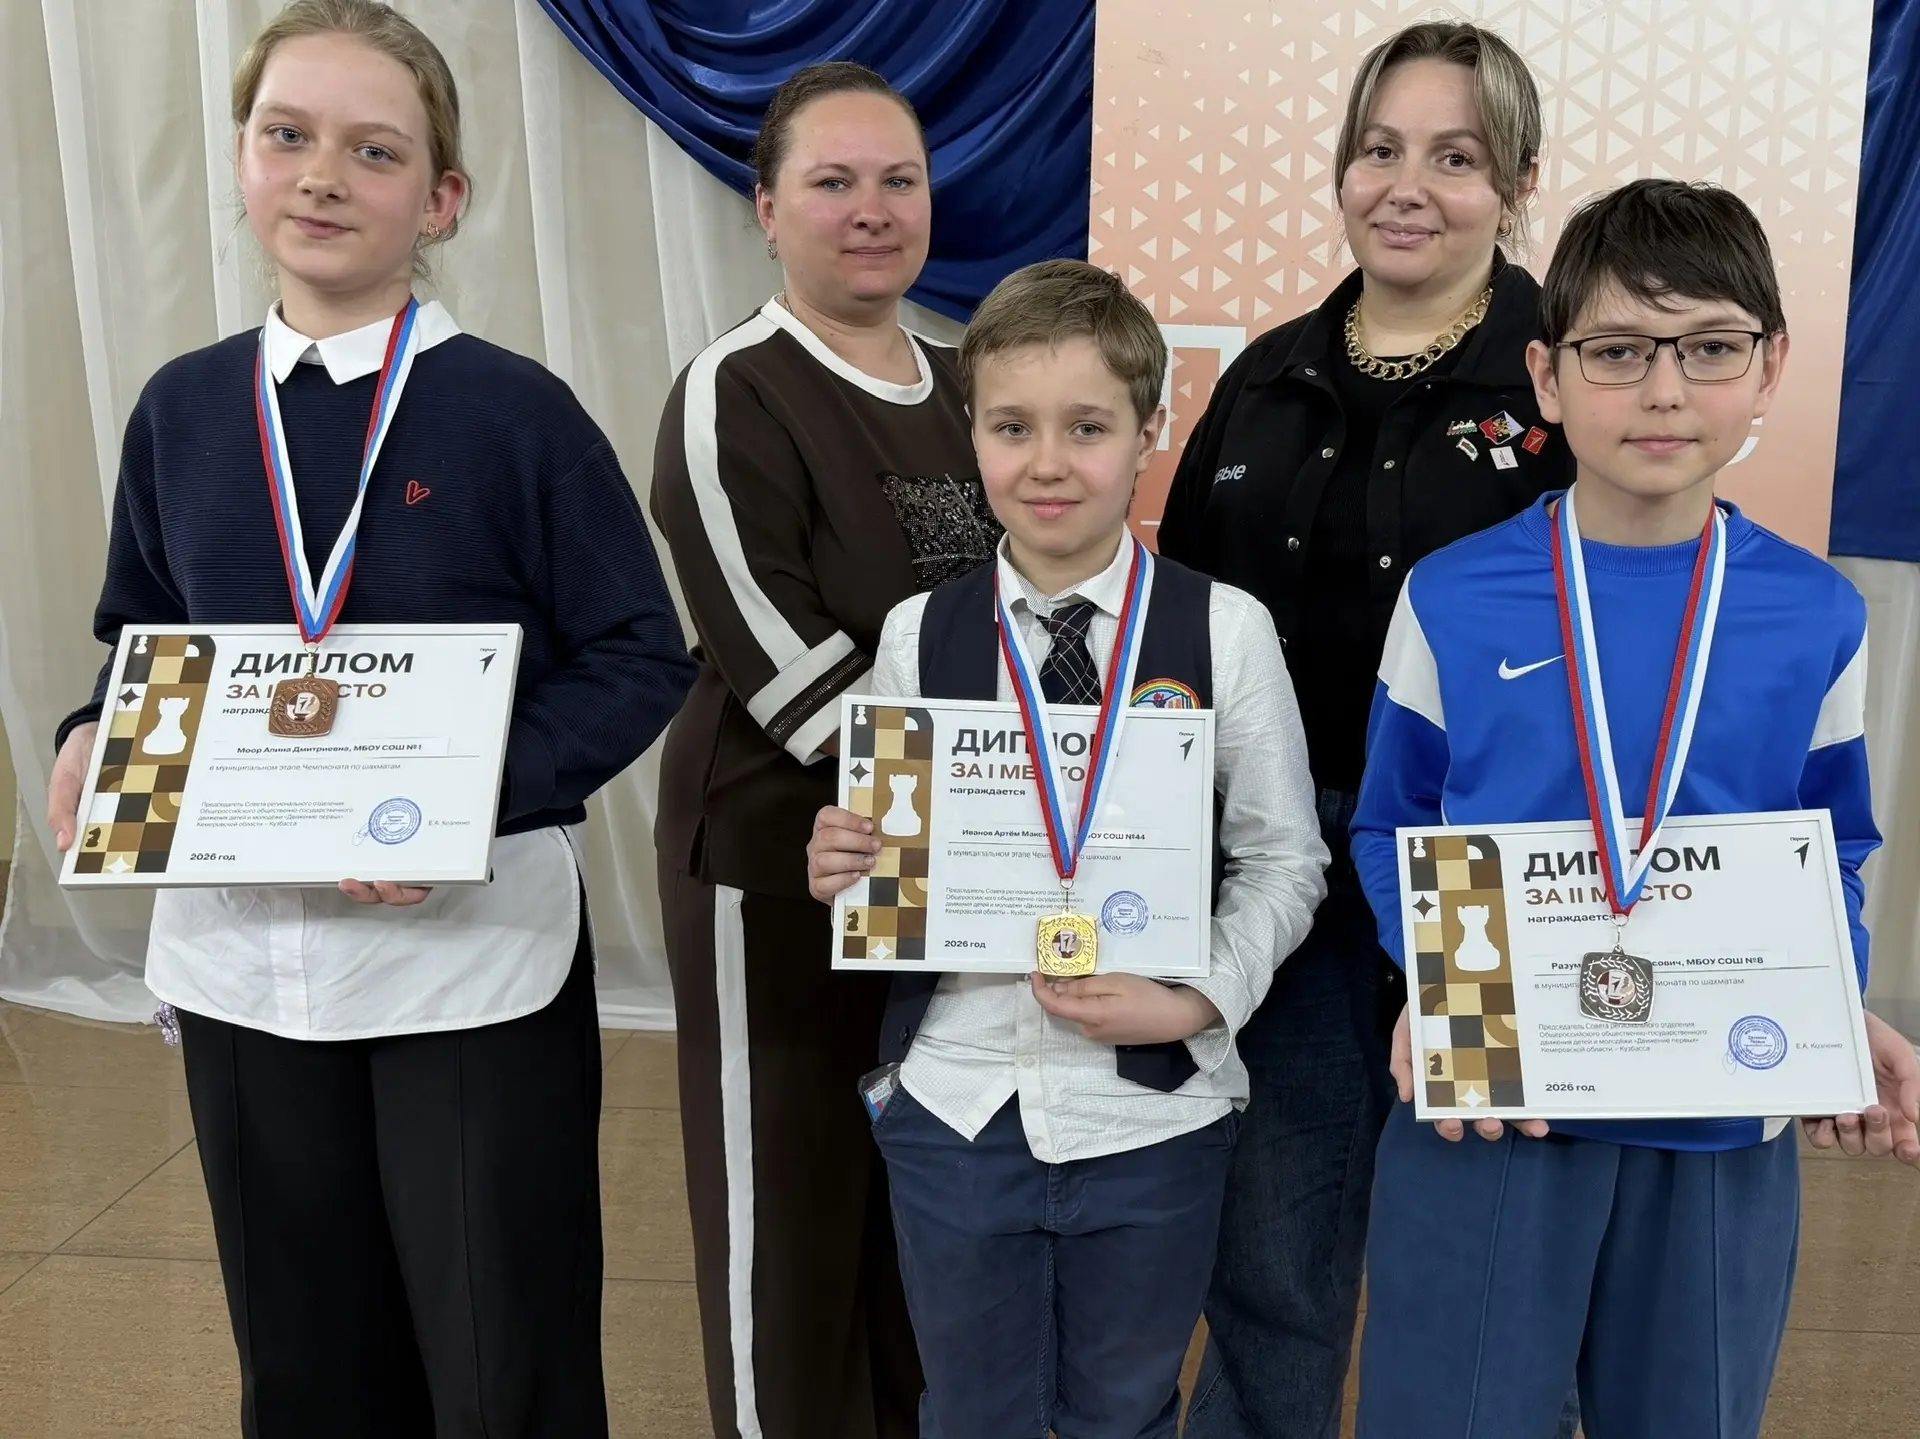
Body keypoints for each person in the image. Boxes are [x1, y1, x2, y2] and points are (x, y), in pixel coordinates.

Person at [43, 2, 693, 1433]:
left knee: (501, 1363)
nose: (323, 175)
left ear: (441, 199)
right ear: (243, 160)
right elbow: (142, 639)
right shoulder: (182, 410)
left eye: (374, 149)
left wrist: (464, 803)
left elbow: (640, 653)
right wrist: (93, 734)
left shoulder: (515, 414)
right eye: (288, 135)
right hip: (243, 955)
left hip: (467, 958)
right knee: (303, 1365)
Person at [1350, 177, 1920, 1439]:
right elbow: (1395, 823)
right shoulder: (1454, 595)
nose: (1664, 390)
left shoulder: (1818, 614)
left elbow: (1833, 846)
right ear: (1547, 377)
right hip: (1497, 1090)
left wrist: (1831, 1006)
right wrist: (1442, 984)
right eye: (1617, 351)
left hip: (1718, 1114)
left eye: (1709, 347)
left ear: (1770, 367)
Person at [806, 259, 1329, 1437]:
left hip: (1155, 1108)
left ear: (1149, 430)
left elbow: (1285, 861)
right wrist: (844, 865)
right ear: (973, 433)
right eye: (1013, 426)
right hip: (959, 1099)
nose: (1047, 462)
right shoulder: (918, 634)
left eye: (1087, 427)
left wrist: (1197, 997)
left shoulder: (1225, 630)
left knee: (1125, 1409)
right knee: (971, 1412)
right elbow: (887, 858)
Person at [1153, 22, 1572, 1437]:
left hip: (1487, 875)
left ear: (1516, 181)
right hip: (1283, 869)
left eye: (1454, 157)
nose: (1407, 186)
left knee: (1491, 1262)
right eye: (1379, 149)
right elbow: (1179, 642)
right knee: (1274, 1250)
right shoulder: (1263, 378)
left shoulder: (1562, 386)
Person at [648, 61, 1002, 1439]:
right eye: (833, 181)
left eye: (898, 180)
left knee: (915, 1206)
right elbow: (782, 662)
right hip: (776, 861)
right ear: (765, 207)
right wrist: (995, 800)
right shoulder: (732, 389)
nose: (872, 209)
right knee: (784, 1214)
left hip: (943, 862)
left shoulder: (974, 383)